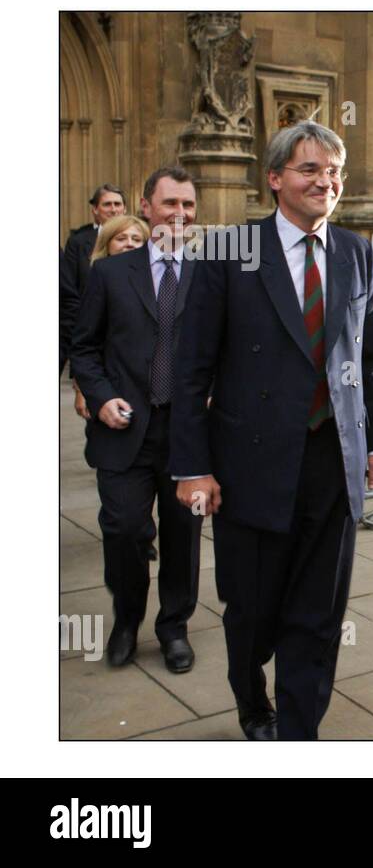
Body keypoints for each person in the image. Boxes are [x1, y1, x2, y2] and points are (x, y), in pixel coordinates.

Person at [171, 121, 373, 741]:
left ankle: (298, 733)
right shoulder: (227, 251)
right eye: (309, 170)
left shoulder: (356, 252)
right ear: (274, 179)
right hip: (250, 466)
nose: (325, 181)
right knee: (251, 609)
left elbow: (371, 360)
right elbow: (191, 372)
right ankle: (252, 700)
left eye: (333, 171)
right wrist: (193, 466)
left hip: (333, 461)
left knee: (319, 614)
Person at [70, 169, 204, 674]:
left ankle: (174, 627)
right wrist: (100, 398)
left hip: (187, 436)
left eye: (188, 205)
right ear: (145, 207)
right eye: (169, 203)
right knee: (124, 530)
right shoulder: (109, 273)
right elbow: (83, 348)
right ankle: (127, 621)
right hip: (123, 432)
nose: (179, 214)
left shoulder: (209, 274)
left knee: (182, 537)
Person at [69, 216, 152, 423]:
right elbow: (85, 343)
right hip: (110, 392)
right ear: (107, 243)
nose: (129, 243)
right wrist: (85, 391)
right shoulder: (98, 278)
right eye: (121, 238)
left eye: (136, 238)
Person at [61, 184, 126, 374]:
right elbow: (71, 291)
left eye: (117, 204)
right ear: (95, 210)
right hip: (91, 330)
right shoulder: (79, 242)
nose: (113, 209)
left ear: (125, 209)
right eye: (107, 204)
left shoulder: (140, 237)